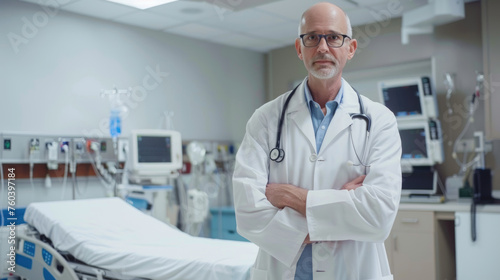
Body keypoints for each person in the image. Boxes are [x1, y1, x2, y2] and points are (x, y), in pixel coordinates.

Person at [232, 2, 402, 280]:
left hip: (353, 271)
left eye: (334, 37)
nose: (323, 47)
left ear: (351, 48)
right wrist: (343, 207)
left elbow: (378, 216)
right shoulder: (265, 119)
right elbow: (247, 211)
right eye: (312, 37)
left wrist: (290, 197)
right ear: (300, 49)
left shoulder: (380, 121)